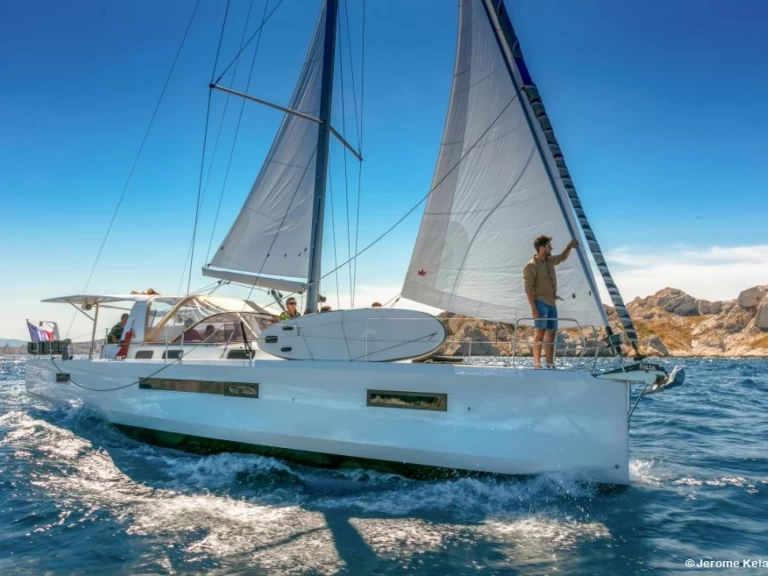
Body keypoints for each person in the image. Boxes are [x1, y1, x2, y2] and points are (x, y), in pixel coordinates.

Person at [523, 235, 579, 369]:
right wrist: (533, 308)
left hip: (552, 303)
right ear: (542, 248)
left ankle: (550, 364)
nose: (551, 248)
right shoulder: (531, 266)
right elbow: (528, 289)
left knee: (552, 333)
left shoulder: (549, 260)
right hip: (540, 302)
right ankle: (537, 364)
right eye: (549, 246)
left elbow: (562, 257)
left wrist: (569, 247)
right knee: (540, 333)